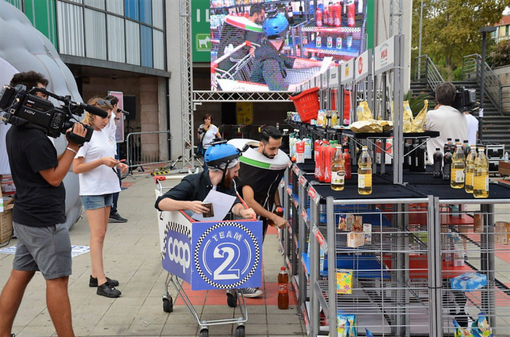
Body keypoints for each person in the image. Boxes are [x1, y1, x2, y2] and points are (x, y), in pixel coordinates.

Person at [0, 71, 87, 337]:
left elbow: (46, 163)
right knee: (58, 281)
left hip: (26, 217)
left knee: (19, 275)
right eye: (41, 94)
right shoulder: (34, 137)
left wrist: (69, 147)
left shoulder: (17, 131)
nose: (45, 101)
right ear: (26, 97)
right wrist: (73, 146)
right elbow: (53, 176)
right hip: (44, 221)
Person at [154, 142, 260, 298]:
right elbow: (160, 203)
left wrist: (243, 211)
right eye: (235, 170)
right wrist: (188, 204)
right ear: (223, 168)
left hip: (215, 234)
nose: (237, 174)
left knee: (239, 235)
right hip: (191, 235)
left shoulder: (227, 183)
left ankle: (241, 281)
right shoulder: (193, 182)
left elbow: (233, 203)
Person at [72, 97, 128, 298]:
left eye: (109, 116)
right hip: (93, 190)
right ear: (92, 115)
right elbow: (76, 168)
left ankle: (96, 275)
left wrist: (117, 164)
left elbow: (106, 158)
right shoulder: (84, 134)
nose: (107, 120)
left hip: (107, 187)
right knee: (97, 236)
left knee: (101, 234)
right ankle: (101, 283)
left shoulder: (104, 132)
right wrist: (101, 161)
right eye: (103, 116)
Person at [236, 126, 290, 240]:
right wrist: (274, 217)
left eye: (278, 148)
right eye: (272, 148)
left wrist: (278, 206)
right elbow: (249, 201)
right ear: (261, 145)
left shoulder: (271, 162)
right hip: (248, 218)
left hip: (264, 215)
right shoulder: (250, 168)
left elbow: (272, 183)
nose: (275, 152)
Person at [250, 14, 326, 91]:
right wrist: (312, 82)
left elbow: (292, 62)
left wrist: (320, 64)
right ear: (285, 36)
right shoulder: (269, 61)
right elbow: (280, 90)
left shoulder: (269, 49)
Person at [424, 82, 468, 164]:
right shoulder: (462, 116)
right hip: (458, 165)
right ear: (454, 98)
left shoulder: (431, 115)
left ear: (436, 97)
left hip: (437, 165)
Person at [216, 3, 265, 72]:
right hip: (234, 67)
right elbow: (252, 51)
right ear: (255, 15)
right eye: (261, 17)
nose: (262, 20)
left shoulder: (237, 25)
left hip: (223, 62)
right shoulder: (253, 30)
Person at [104, 95, 128, 223]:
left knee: (113, 182)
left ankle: (109, 209)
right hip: (111, 152)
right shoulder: (110, 116)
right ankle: (112, 210)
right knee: (116, 182)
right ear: (113, 106)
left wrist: (117, 115)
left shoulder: (110, 117)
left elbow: (112, 129)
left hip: (110, 151)